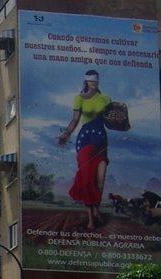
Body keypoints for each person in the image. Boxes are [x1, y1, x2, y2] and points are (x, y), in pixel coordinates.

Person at [58, 69, 112, 230]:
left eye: (96, 81)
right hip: (85, 141)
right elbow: (75, 120)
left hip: (101, 141)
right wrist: (66, 134)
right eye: (91, 81)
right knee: (88, 180)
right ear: (87, 81)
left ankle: (97, 210)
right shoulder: (79, 98)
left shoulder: (105, 99)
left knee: (100, 181)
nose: (94, 83)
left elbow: (113, 118)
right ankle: (90, 219)